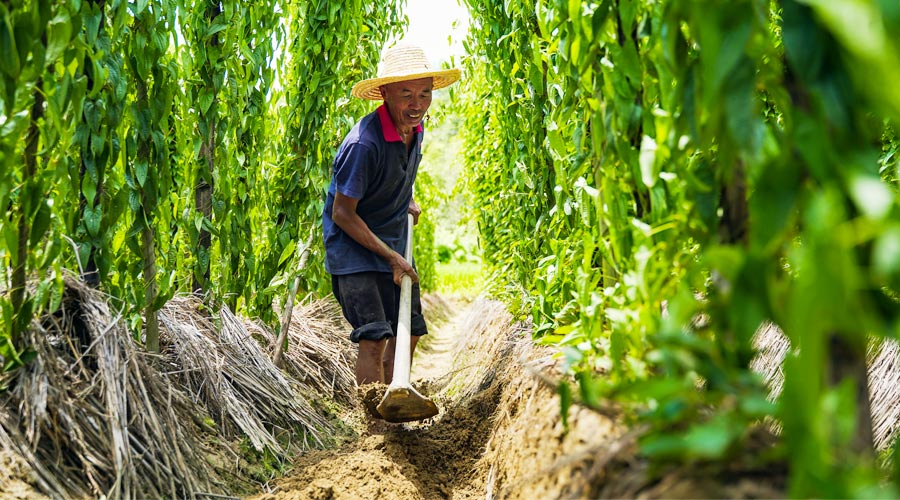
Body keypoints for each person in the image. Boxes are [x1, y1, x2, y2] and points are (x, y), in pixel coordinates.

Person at [322, 44, 460, 387]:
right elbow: (342, 213)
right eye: (406, 94)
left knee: (410, 331)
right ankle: (375, 430)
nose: (417, 105)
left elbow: (398, 171)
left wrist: (407, 197)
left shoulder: (416, 129)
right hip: (355, 252)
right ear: (384, 94)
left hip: (394, 244)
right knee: (373, 337)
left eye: (425, 94)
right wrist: (391, 257)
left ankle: (396, 399)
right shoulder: (363, 145)